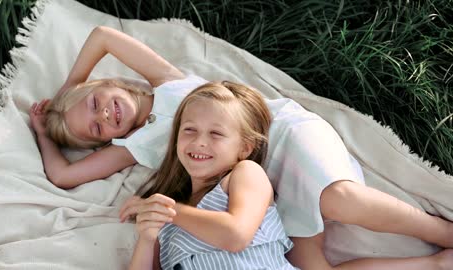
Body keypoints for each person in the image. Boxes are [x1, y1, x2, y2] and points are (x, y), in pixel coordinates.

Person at [30, 26, 453, 269]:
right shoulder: (136, 147)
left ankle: (442, 232)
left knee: (337, 199)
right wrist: (49, 131)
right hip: (254, 179)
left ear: (105, 83)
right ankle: (434, 264)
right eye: (98, 129)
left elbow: (104, 36)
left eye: (95, 103)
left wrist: (69, 86)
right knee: (311, 264)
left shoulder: (168, 83)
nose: (106, 116)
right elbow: (63, 175)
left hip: (278, 134)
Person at [124, 81, 297, 269]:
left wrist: (168, 211)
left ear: (245, 148)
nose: (199, 142)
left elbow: (236, 236)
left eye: (216, 133)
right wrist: (147, 238)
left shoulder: (245, 173)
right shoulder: (168, 222)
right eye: (189, 129)